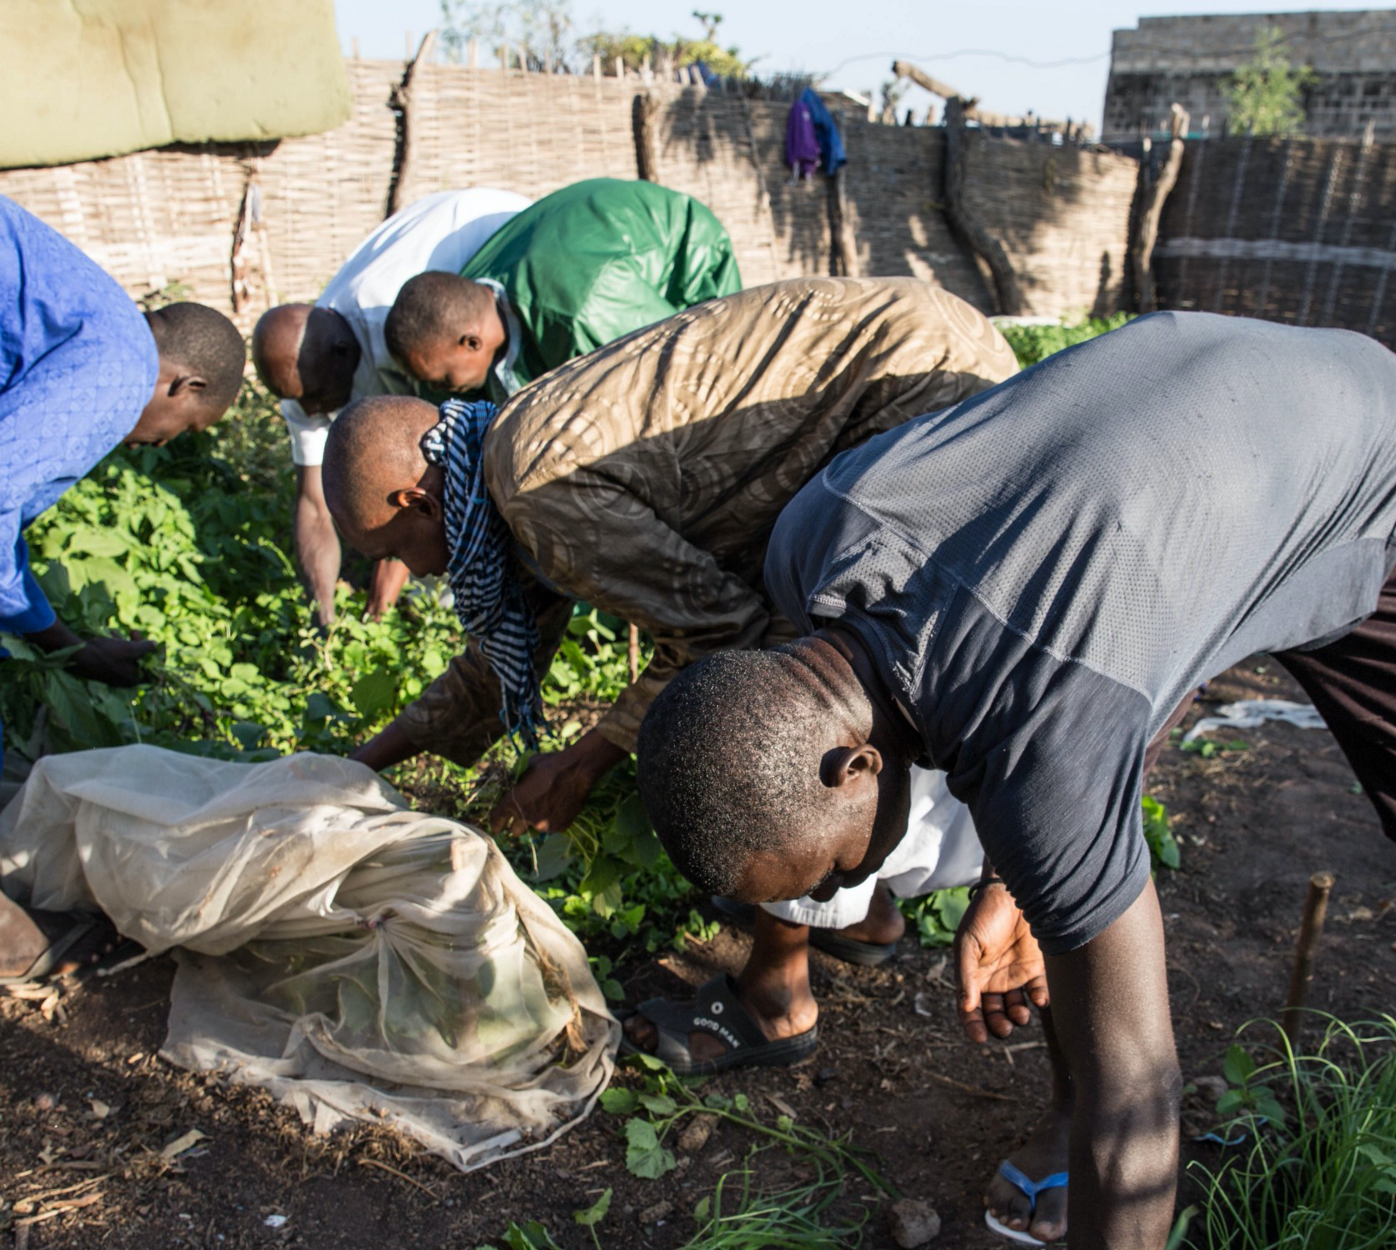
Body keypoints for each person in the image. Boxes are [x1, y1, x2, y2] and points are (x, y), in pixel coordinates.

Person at [632, 312, 1396, 1248]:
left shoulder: (1051, 739)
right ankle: (1052, 1108)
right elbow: (1038, 678)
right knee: (1062, 817)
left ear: (855, 763)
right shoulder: (811, 537)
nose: (845, 888)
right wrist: (1012, 880)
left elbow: (1140, 1105)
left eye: (839, 862)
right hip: (1189, 411)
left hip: (1357, 455)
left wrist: (1041, 894)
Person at [323, 277, 1017, 1057]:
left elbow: (724, 630)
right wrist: (350, 770)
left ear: (415, 500)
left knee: (801, 699)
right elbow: (494, 666)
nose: (407, 573)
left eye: (391, 553)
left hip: (920, 387)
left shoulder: (534, 493)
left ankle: (777, 994)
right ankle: (861, 909)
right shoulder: (500, 466)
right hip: (907, 346)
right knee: (796, 654)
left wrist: (581, 765)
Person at [1, 195, 246, 985]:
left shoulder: (94, 324)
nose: (161, 445)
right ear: (185, 384)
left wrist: (62, 643)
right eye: (189, 428)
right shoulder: (118, 369)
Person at [249, 188, 530, 628]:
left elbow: (425, 470)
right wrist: (323, 616)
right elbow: (313, 503)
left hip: (505, 242)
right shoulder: (305, 375)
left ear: (345, 353)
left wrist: (379, 609)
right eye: (302, 402)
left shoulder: (398, 331)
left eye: (320, 399)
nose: (313, 411)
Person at [382, 177, 741, 403]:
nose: (442, 389)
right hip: (585, 247)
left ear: (473, 341)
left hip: (687, 254)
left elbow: (680, 363)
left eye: (444, 380)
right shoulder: (468, 299)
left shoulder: (583, 313)